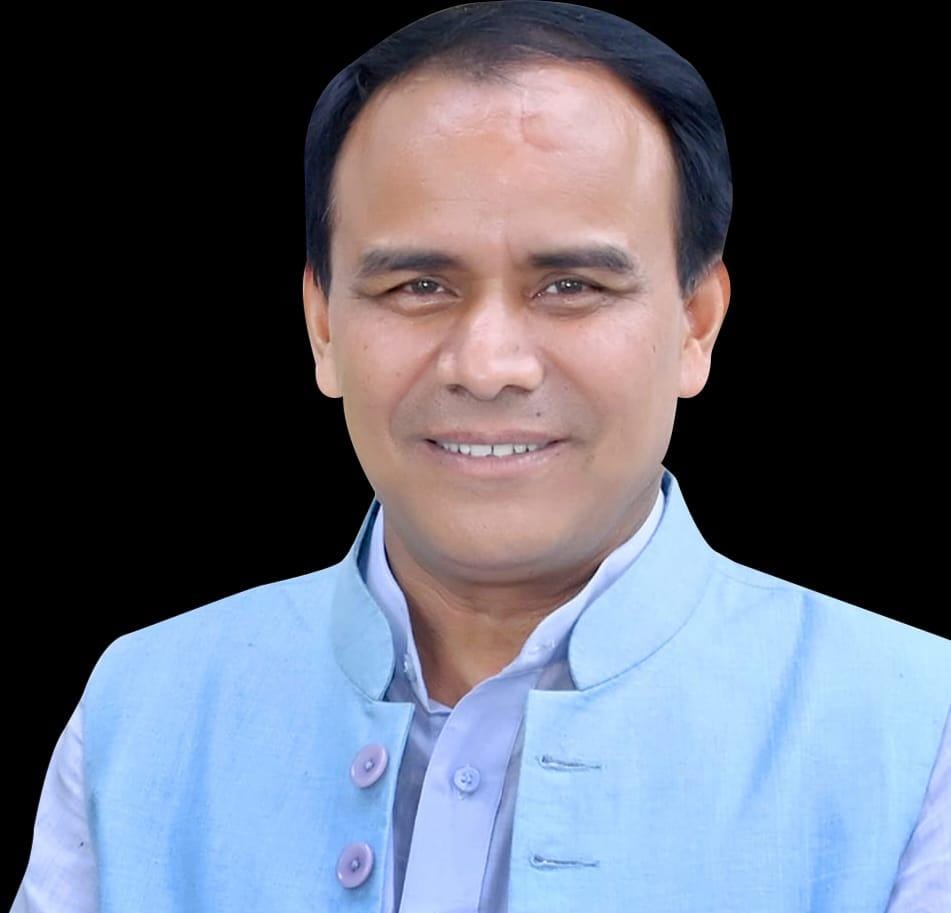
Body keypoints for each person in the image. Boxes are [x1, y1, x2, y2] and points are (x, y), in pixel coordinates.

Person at [11, 3, 949, 911]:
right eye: (419, 284)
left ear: (695, 323)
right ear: (323, 324)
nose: (488, 365)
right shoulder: (146, 705)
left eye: (570, 285)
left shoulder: (917, 729)